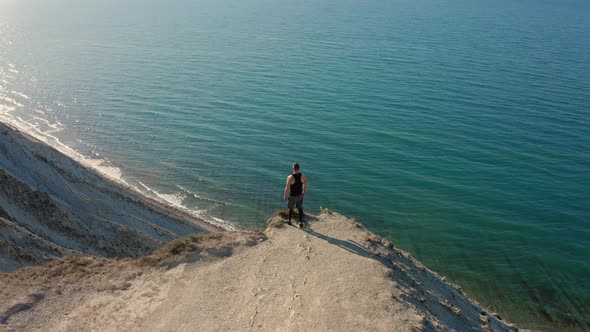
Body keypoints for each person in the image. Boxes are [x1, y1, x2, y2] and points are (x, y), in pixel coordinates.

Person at [283, 162, 307, 228]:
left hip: (292, 196)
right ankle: (300, 222)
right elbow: (305, 184)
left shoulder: (290, 177)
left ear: (293, 168)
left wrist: (285, 195)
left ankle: (289, 221)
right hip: (300, 195)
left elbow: (287, 188)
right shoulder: (303, 176)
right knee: (300, 208)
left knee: (291, 208)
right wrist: (304, 192)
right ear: (299, 168)